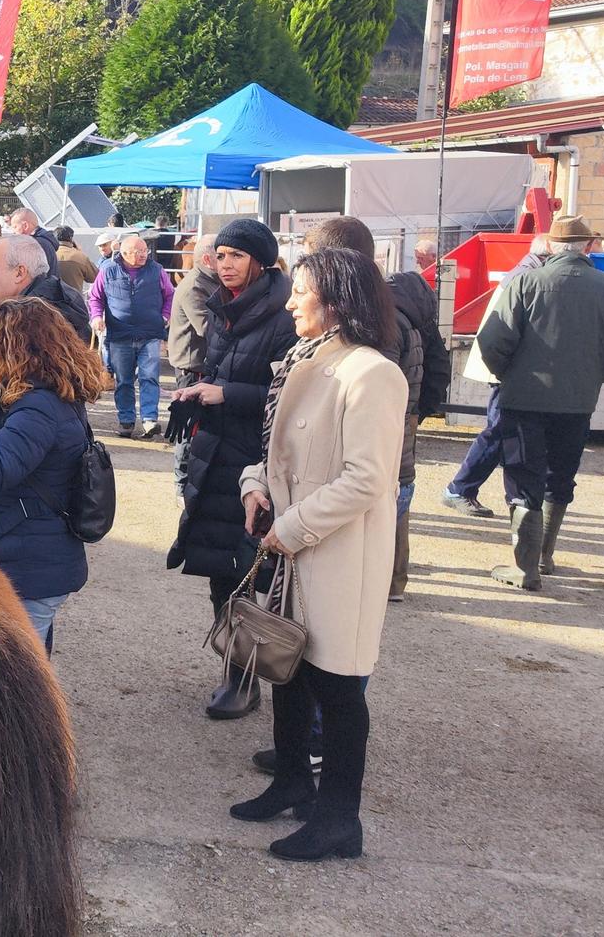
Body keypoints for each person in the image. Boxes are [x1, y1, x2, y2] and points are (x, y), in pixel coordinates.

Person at [231, 247, 406, 863]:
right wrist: (255, 485)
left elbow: (367, 478)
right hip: (296, 551)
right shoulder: (304, 360)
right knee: (291, 670)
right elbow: (278, 451)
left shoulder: (371, 373)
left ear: (333, 301)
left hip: (336, 559)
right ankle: (291, 782)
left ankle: (339, 820)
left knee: (338, 689)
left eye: (300, 291)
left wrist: (295, 525)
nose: (289, 301)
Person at [166, 217, 297, 720]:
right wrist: (197, 393)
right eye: (220, 256)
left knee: (255, 571)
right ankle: (235, 672)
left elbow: (290, 396)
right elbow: (219, 373)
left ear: (260, 261)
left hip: (259, 461)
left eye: (235, 256)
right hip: (218, 453)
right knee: (224, 570)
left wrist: (226, 393)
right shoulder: (222, 309)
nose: (225, 265)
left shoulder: (284, 316)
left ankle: (259, 678)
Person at [0, 297, 112, 649]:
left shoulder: (39, 406)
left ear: (17, 348)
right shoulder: (42, 396)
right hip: (28, 556)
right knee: (31, 662)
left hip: (28, 566)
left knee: (16, 676)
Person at [474, 215, 604, 589]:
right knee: (560, 477)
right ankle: (544, 557)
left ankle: (525, 567)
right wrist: (591, 378)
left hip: (523, 399)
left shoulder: (526, 282)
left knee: (523, 475)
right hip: (578, 403)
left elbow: (491, 341)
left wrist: (508, 375)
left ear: (551, 246)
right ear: (588, 246)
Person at [303, 217, 450, 602]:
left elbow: (366, 384)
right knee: (397, 488)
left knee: (379, 493)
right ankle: (394, 579)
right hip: (406, 416)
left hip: (383, 419)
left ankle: (381, 581)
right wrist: (419, 409)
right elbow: (438, 363)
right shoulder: (409, 300)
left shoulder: (367, 314)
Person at [441, 234, 551, 519]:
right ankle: (460, 488)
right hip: (507, 370)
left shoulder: (524, 273)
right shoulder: (529, 278)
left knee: (500, 432)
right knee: (499, 432)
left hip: (503, 367)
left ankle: (464, 489)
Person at [90, 235, 176, 438]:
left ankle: (149, 419)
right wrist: (95, 317)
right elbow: (95, 297)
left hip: (150, 334)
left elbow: (170, 294)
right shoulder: (108, 271)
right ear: (125, 253)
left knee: (149, 377)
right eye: (138, 252)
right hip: (120, 335)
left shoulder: (157, 270)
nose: (143, 255)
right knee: (124, 381)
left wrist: (165, 316)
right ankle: (126, 421)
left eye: (144, 250)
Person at [167, 235, 221, 493]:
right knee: (188, 426)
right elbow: (207, 327)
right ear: (208, 259)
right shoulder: (195, 286)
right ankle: (181, 483)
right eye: (221, 256)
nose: (226, 262)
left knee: (197, 425)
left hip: (200, 363)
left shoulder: (208, 282)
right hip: (192, 366)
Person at [55, 226, 98, 293]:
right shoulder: (80, 257)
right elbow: (95, 276)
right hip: (73, 300)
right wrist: (79, 251)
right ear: (71, 238)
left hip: (49, 301)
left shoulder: (47, 254)